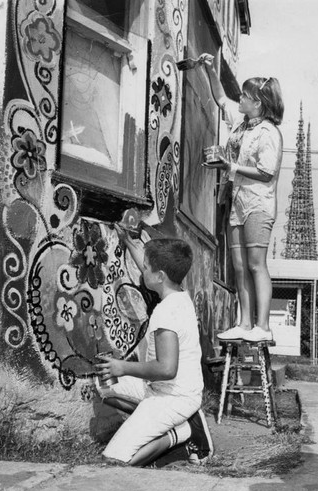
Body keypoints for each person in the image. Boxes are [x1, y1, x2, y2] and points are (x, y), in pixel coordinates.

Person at [95, 233, 214, 466]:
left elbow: (167, 368)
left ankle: (179, 434)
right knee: (104, 386)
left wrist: (122, 367)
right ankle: (170, 425)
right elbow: (153, 268)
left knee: (114, 461)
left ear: (159, 276)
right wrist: (128, 241)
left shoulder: (166, 312)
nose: (142, 271)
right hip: (165, 389)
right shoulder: (179, 295)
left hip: (173, 397)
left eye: (146, 268)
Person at [193, 53, 284, 343]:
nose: (240, 100)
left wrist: (229, 167)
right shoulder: (242, 125)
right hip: (236, 201)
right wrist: (209, 69)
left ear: (258, 103)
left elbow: (266, 172)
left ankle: (262, 326)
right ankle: (244, 324)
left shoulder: (268, 132)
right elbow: (221, 100)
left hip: (258, 204)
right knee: (240, 266)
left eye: (245, 97)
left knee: (256, 264)